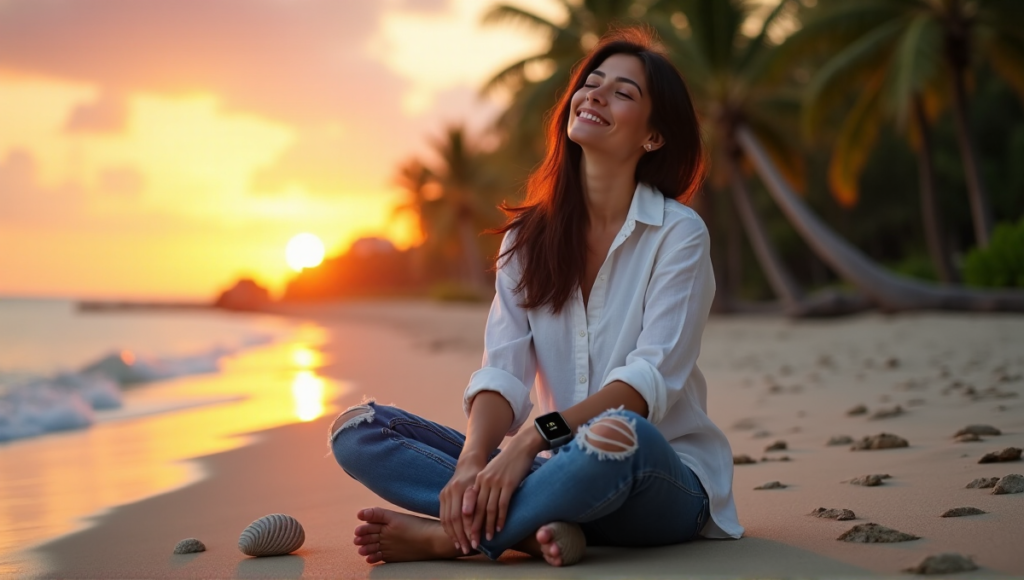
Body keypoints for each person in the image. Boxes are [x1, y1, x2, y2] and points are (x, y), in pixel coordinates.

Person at [328, 26, 743, 567]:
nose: (595, 95)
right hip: (561, 471)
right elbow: (503, 372)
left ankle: (450, 538)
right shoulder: (526, 239)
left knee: (620, 433)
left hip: (655, 477)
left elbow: (646, 384)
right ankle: (534, 524)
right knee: (358, 432)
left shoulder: (678, 234)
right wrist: (473, 461)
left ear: (653, 137)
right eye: (591, 83)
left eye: (622, 92)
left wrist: (528, 444)